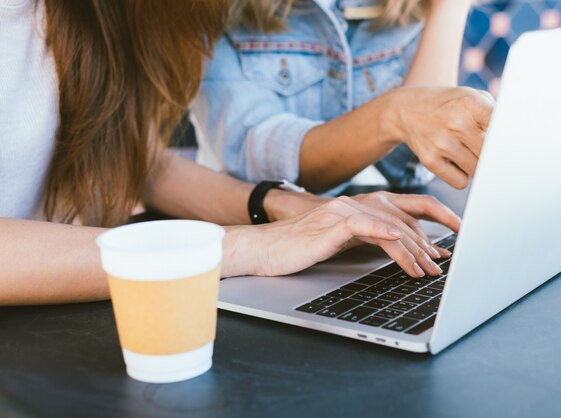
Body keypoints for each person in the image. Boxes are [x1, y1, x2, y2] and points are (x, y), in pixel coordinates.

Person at [0, 0, 483, 305]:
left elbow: (142, 163)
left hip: (66, 320)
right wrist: (245, 246)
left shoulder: (91, 14)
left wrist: (296, 209)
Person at [192, 0, 492, 193]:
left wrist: (450, 7)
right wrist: (393, 113)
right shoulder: (221, 11)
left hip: (376, 230)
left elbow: (416, 160)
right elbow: (258, 163)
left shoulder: (406, 7)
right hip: (250, 242)